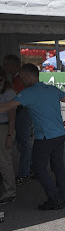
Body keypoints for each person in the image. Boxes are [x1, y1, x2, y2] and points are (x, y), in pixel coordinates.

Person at [0, 63, 65, 210]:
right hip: (59, 134)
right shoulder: (51, 88)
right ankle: (60, 196)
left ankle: (55, 199)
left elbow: (7, 107)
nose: (20, 80)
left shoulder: (29, 93)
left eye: (21, 77)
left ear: (27, 75)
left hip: (45, 137)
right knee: (58, 167)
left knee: (39, 168)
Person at [2, 54, 32, 185]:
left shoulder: (19, 80)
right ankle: (26, 170)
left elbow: (17, 98)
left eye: (6, 64)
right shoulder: (16, 79)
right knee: (23, 143)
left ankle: (24, 173)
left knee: (23, 144)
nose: (5, 67)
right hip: (21, 112)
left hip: (22, 112)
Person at [0, 67, 16, 203]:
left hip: (4, 127)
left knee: (4, 161)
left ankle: (10, 191)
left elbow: (12, 117)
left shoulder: (9, 93)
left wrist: (10, 135)